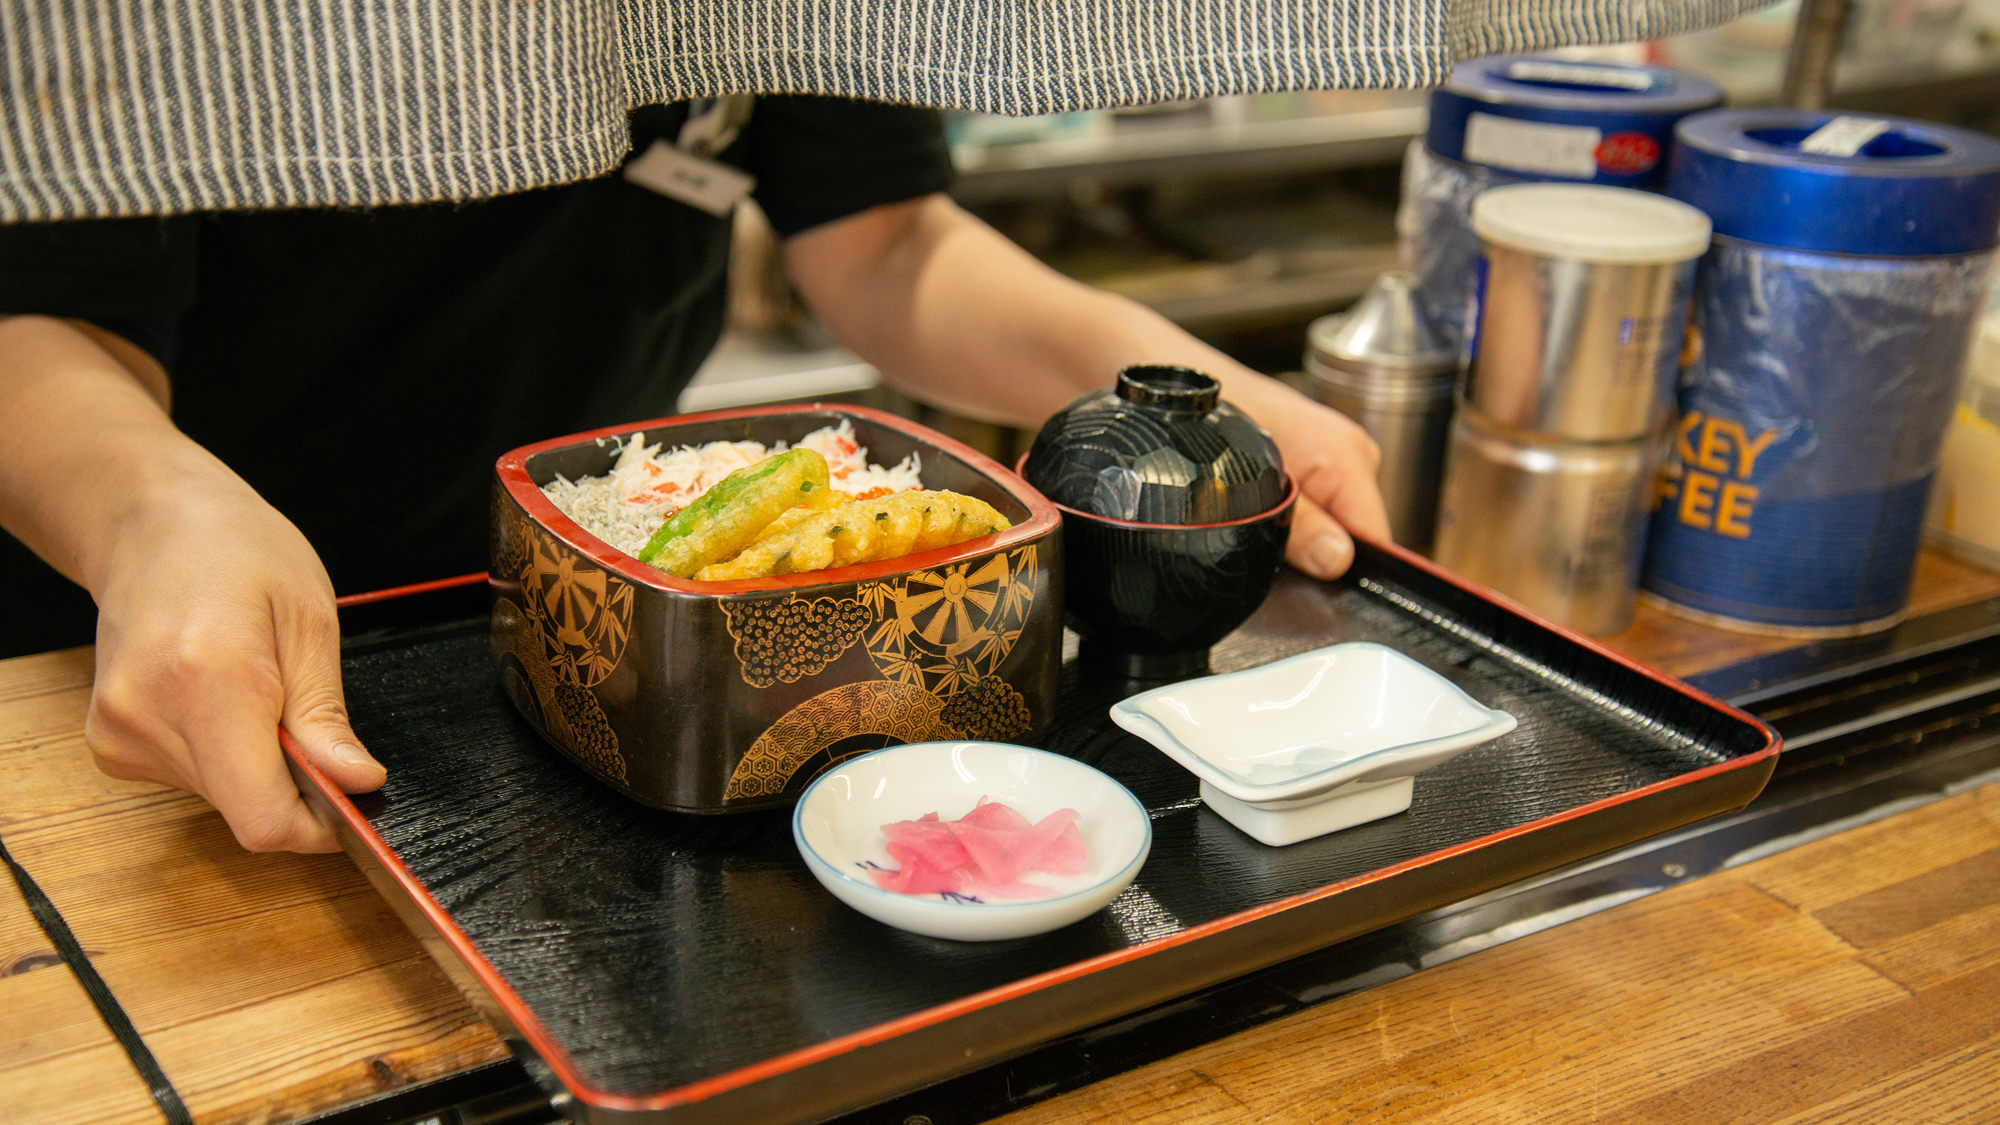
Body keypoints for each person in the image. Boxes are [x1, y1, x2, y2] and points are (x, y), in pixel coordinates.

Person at [0, 97, 1387, 855]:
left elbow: (884, 238)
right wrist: (151, 513)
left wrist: (1182, 392)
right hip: (165, 637)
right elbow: (37, 311)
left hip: (625, 640)